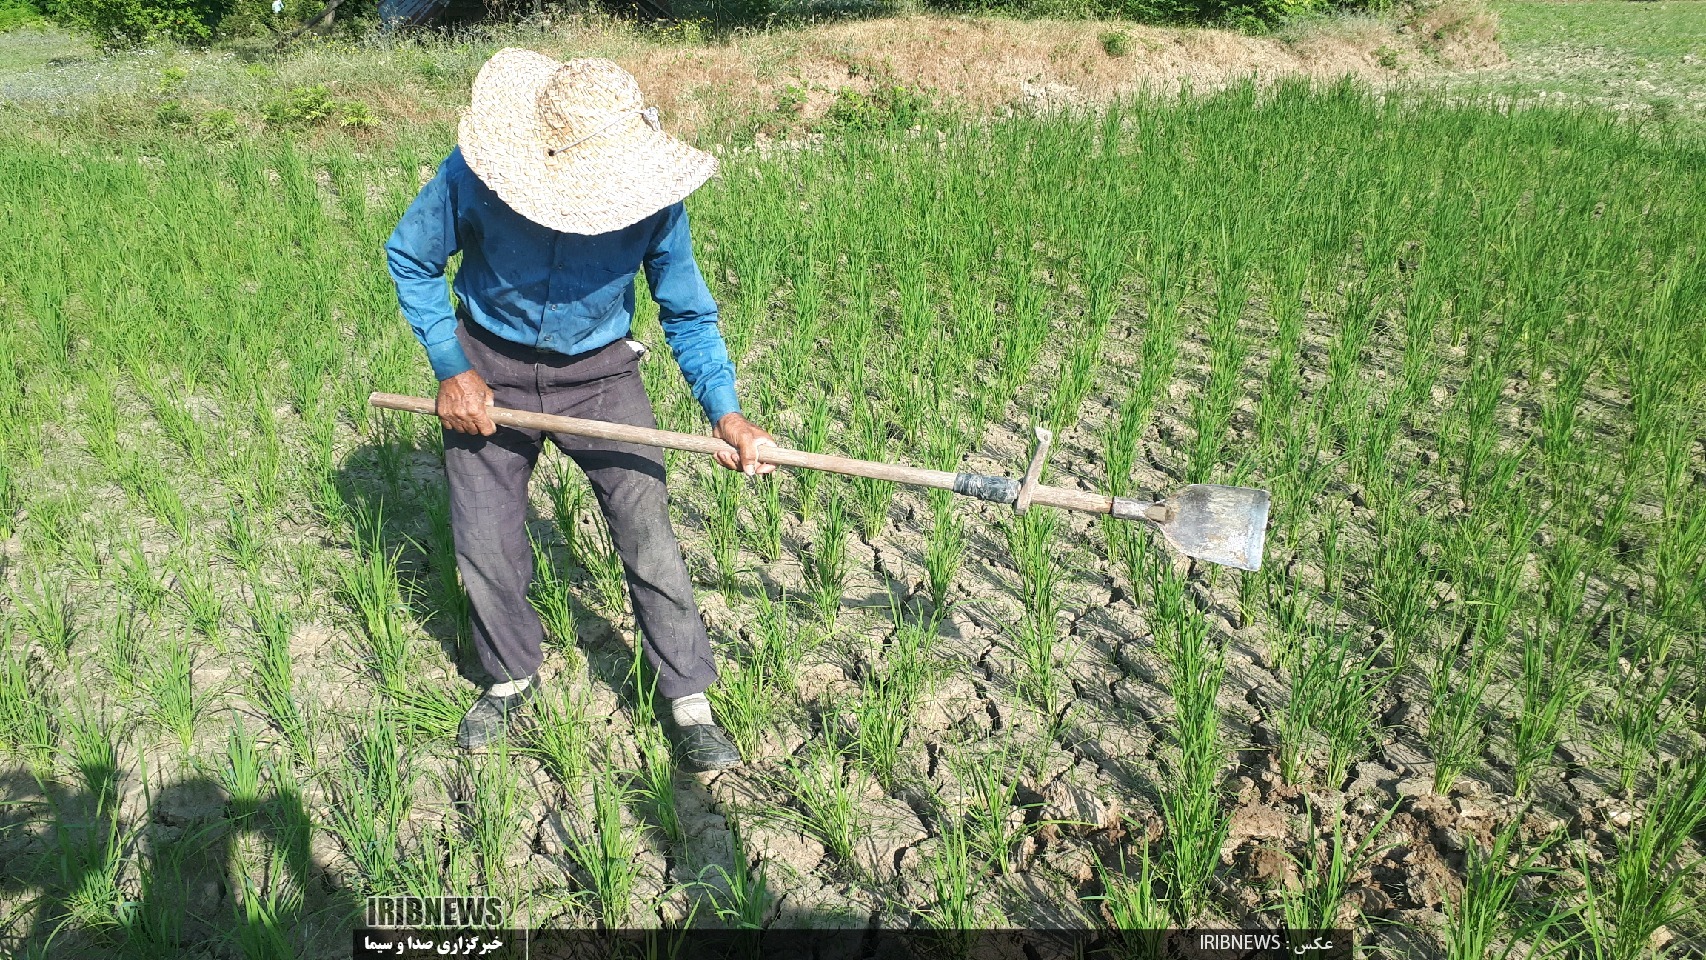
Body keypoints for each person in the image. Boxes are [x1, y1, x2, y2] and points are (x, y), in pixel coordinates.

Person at [384, 48, 774, 771]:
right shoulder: (474, 174)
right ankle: (508, 676)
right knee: (485, 538)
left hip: (601, 377)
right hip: (487, 374)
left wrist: (727, 411)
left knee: (647, 531)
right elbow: (411, 259)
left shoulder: (652, 201)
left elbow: (686, 312)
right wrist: (452, 369)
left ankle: (687, 697)